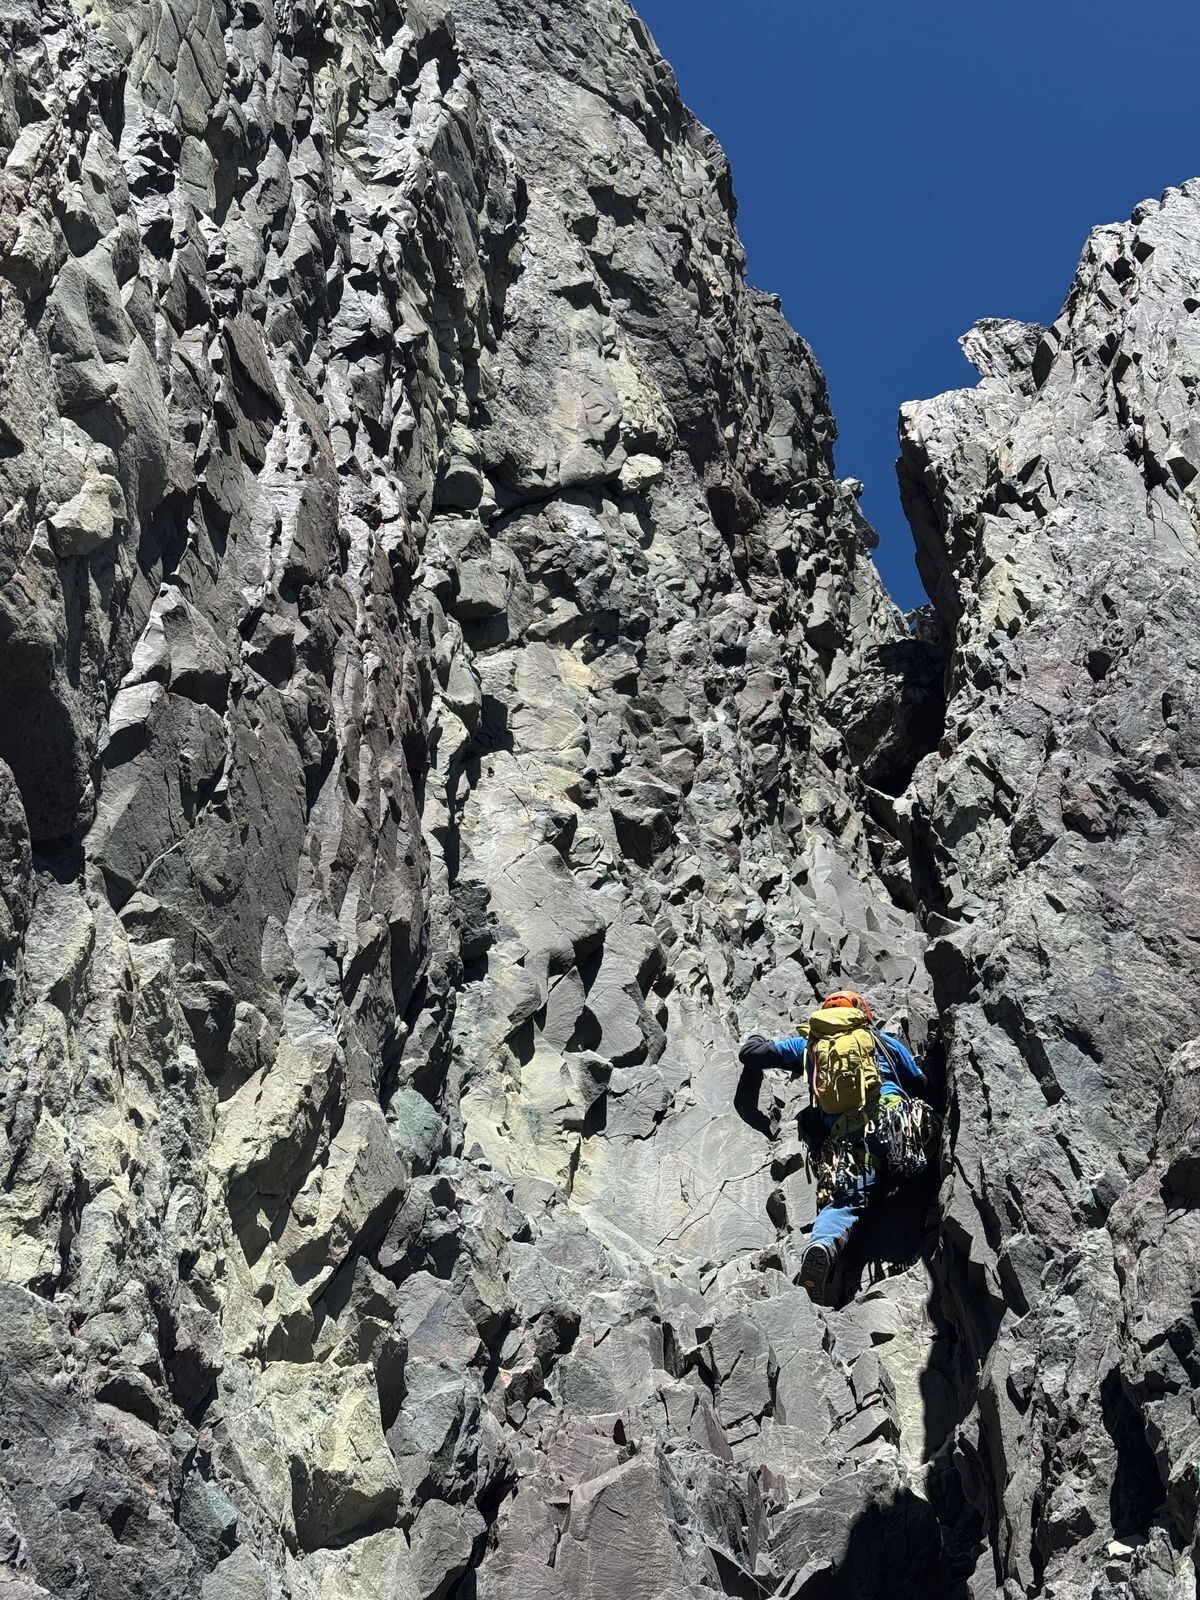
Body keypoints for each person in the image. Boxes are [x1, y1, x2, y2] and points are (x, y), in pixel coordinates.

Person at [738, 989, 932, 1305]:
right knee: (925, 1147)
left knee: (846, 1201)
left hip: (849, 1140)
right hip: (894, 1125)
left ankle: (822, 1246)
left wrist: (755, 1037)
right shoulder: (882, 1041)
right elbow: (920, 1084)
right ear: (863, 1014)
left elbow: (752, 1054)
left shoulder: (810, 1046)